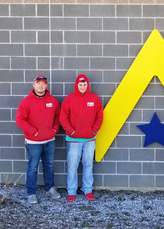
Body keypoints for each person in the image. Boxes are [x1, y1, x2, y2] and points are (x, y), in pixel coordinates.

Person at [16, 75, 61, 204]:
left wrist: (54, 129)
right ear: (34, 85)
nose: (41, 85)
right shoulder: (26, 102)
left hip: (49, 141)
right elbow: (19, 120)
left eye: (43, 83)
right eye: (38, 83)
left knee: (49, 166)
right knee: (32, 168)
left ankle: (50, 188)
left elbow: (58, 116)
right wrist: (33, 132)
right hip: (33, 142)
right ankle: (31, 193)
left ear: (46, 85)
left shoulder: (52, 100)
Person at [60, 74, 103, 202]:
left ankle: (87, 189)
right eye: (80, 84)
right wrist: (71, 131)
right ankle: (71, 191)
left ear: (87, 85)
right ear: (76, 85)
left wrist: (94, 130)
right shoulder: (69, 99)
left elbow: (99, 116)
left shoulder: (94, 98)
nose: (82, 87)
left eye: (84, 84)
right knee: (72, 166)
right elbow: (63, 118)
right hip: (73, 140)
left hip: (89, 140)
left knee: (88, 165)